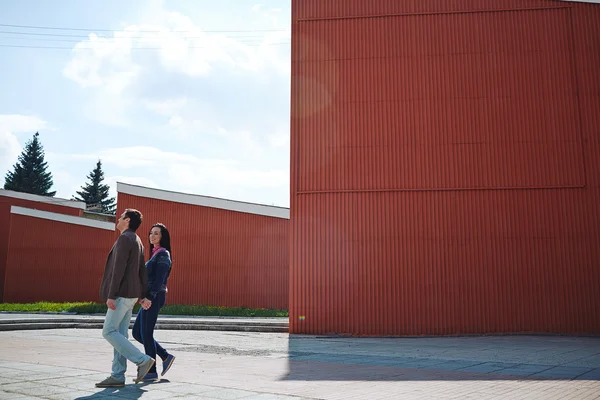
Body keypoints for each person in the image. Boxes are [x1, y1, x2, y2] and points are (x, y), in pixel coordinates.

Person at [95, 209, 156, 388]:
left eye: (121, 216)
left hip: (121, 294)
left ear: (127, 220)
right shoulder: (137, 241)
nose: (118, 218)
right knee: (120, 335)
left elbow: (118, 269)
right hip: (131, 295)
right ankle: (118, 375)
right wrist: (142, 295)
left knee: (108, 332)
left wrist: (111, 294)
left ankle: (142, 360)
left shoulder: (124, 238)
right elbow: (141, 271)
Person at [132, 223, 175, 381]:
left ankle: (151, 371)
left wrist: (149, 297)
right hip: (148, 297)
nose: (152, 236)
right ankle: (165, 355)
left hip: (154, 297)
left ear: (162, 237)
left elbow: (159, 280)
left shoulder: (163, 254)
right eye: (151, 233)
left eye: (156, 233)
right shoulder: (155, 254)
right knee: (137, 333)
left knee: (146, 334)